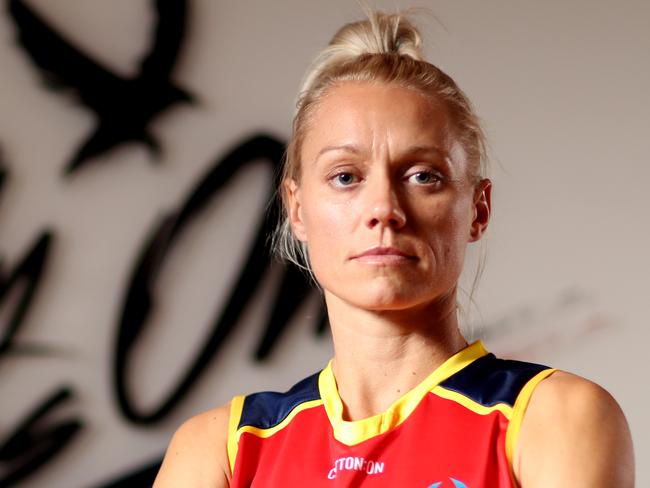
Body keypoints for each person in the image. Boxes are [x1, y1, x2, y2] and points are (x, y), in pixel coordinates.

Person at [154, 8, 634, 487]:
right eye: (345, 177)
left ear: (477, 208)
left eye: (423, 176)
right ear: (296, 209)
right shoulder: (224, 449)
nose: (384, 208)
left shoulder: (553, 419)